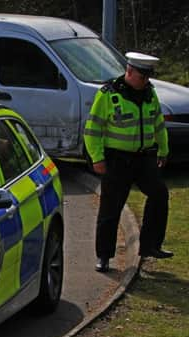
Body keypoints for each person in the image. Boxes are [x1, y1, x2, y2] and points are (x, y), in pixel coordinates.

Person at [84, 52, 172, 273]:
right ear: (129, 72)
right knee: (111, 208)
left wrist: (163, 149)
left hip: (144, 157)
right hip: (117, 159)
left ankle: (151, 245)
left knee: (159, 194)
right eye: (143, 77)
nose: (146, 82)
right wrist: (97, 158)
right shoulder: (108, 95)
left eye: (148, 78)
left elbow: (158, 124)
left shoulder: (149, 94)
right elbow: (92, 130)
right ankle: (104, 256)